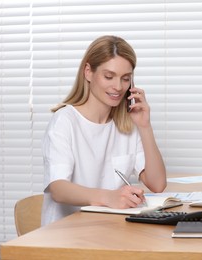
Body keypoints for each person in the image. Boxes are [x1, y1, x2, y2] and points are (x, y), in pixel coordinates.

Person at [41, 35, 166, 226]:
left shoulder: (127, 124)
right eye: (109, 76)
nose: (118, 87)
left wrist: (144, 126)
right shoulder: (64, 121)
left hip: (109, 231)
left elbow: (157, 184)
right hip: (65, 235)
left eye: (125, 79)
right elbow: (58, 189)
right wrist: (109, 197)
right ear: (88, 72)